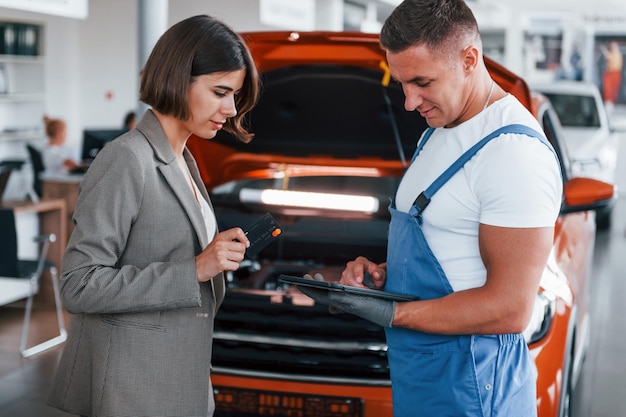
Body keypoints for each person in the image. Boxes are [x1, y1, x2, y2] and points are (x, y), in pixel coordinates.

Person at [296, 1, 562, 416]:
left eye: (422, 81)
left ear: (469, 59)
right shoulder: (437, 131)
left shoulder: (513, 154)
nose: (408, 101)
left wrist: (393, 312)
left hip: (474, 384)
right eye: (401, 83)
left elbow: (510, 307)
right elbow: (447, 248)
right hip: (425, 375)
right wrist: (383, 275)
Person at [47, 15, 260, 417]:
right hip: (133, 387)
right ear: (179, 80)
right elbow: (78, 285)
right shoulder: (127, 158)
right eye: (220, 92)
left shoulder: (185, 160)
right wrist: (194, 268)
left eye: (234, 95)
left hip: (178, 376)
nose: (230, 109)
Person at [600, 41, 623, 111]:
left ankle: (609, 105)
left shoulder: (617, 54)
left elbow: (609, 57)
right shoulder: (614, 53)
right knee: (608, 90)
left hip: (613, 73)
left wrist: (604, 50)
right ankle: (608, 104)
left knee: (611, 91)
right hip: (610, 73)